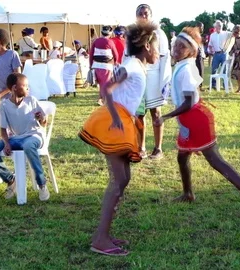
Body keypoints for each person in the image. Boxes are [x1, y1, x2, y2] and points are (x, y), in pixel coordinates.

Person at [154, 26, 240, 215]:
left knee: (214, 159)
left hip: (195, 118)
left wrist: (165, 116)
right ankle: (188, 193)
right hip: (189, 119)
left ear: (192, 51)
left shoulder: (186, 69)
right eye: (176, 45)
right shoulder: (181, 65)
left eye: (182, 47)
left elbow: (187, 103)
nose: (177, 49)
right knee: (182, 156)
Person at [79, 22, 159, 257]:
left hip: (125, 120)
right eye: (156, 48)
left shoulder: (137, 66)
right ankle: (100, 239)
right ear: (146, 46)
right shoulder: (132, 66)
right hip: (115, 123)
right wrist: (115, 118)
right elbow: (107, 90)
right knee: (118, 182)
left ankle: (104, 235)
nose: (158, 53)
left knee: (123, 179)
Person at [0, 73, 50, 201]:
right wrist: (7, 143)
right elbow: (3, 130)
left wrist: (41, 118)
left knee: (28, 145)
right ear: (14, 88)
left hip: (34, 136)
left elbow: (43, 123)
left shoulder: (31, 100)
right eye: (24, 86)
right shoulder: (3, 106)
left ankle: (41, 183)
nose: (27, 88)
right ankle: (10, 180)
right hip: (16, 138)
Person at [134, 4, 172, 160]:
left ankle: (158, 149)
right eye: (141, 14)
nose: (143, 16)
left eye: (146, 13)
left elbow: (163, 55)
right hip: (138, 76)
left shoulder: (158, 33)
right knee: (139, 114)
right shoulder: (133, 33)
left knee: (155, 112)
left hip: (154, 76)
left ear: (150, 15)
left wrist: (163, 80)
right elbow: (128, 56)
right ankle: (140, 147)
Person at [90, 25, 119, 106]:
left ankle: (101, 99)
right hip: (106, 66)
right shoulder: (110, 42)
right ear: (110, 33)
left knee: (101, 84)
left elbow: (91, 54)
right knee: (105, 84)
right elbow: (115, 54)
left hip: (96, 66)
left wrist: (90, 64)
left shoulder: (96, 41)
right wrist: (116, 62)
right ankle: (103, 100)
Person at [208, 20, 234, 90]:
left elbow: (233, 36)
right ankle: (213, 84)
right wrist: (211, 50)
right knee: (214, 69)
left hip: (224, 54)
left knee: (225, 69)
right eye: (217, 25)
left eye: (220, 25)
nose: (219, 27)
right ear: (215, 27)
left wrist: (228, 48)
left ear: (222, 26)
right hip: (216, 54)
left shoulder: (226, 33)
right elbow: (210, 45)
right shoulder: (212, 35)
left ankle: (224, 84)